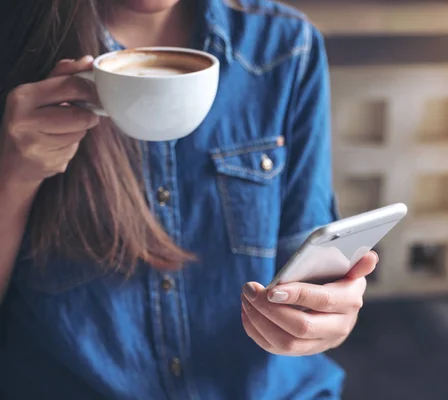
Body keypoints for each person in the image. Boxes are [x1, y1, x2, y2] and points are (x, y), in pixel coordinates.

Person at [0, 1, 378, 399]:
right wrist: (15, 173)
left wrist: (327, 316)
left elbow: (311, 275)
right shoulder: (18, 44)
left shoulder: (285, 46)